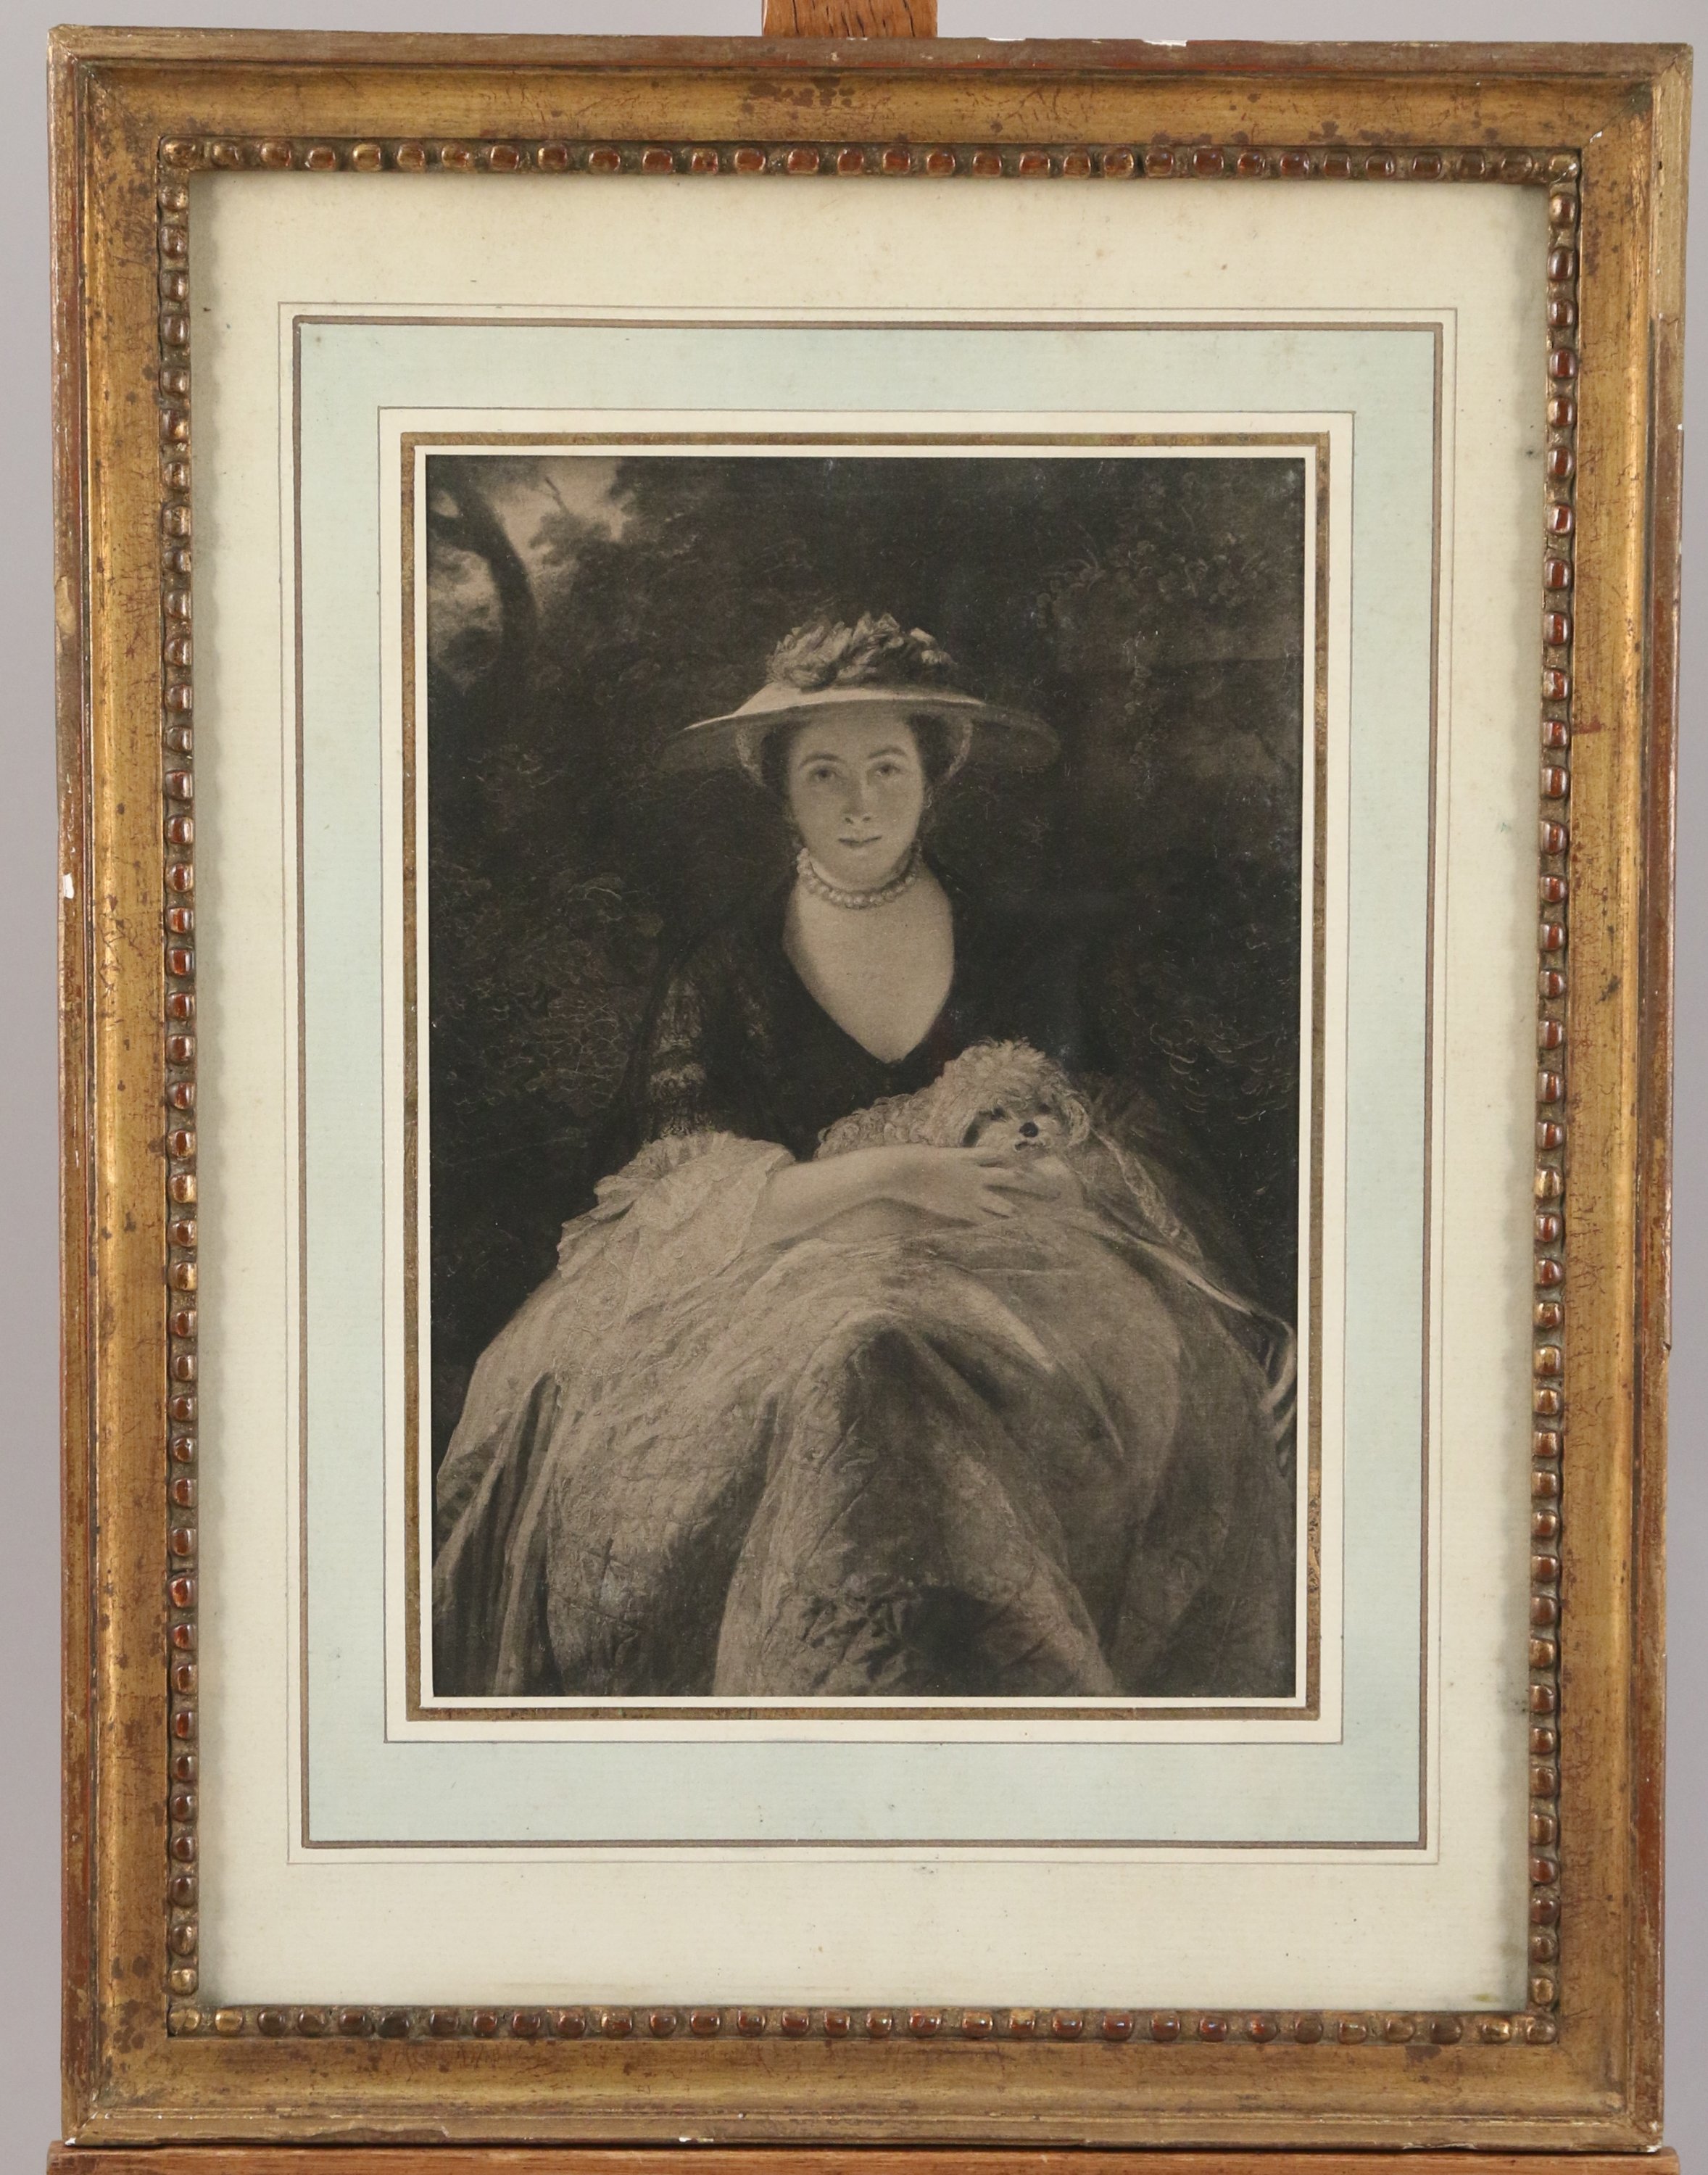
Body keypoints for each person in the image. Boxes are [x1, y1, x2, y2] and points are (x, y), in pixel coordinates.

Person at [433, 613, 1295, 1702]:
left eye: (888, 768)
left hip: (1019, 1279)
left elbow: (1102, 1124)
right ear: (779, 790)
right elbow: (677, 1194)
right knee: (859, 1351)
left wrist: (1040, 1162)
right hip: (767, 1294)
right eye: (825, 774)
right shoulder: (722, 966)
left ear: (935, 779)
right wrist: (895, 1175)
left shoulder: (1017, 941)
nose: (859, 803)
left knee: (962, 1363)